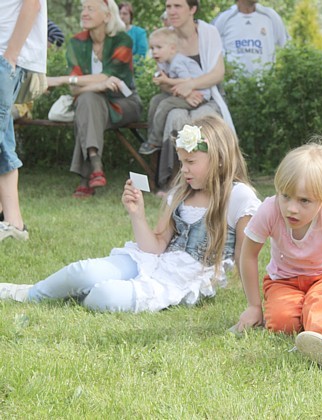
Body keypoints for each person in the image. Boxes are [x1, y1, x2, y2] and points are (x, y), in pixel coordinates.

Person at [0, 116, 261, 312]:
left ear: (220, 159)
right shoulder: (181, 193)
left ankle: (75, 294)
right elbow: (156, 246)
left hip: (185, 278)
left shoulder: (238, 197)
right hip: (155, 261)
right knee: (83, 272)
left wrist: (252, 302)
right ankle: (31, 293)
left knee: (105, 295)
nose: (185, 170)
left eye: (191, 163)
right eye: (182, 162)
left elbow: (245, 255)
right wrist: (137, 214)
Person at [236, 140, 322, 367]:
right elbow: (248, 254)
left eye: (304, 201)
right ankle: (319, 314)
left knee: (320, 307)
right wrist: (254, 306)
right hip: (284, 281)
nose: (291, 208)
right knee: (283, 323)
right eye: (285, 196)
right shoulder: (270, 210)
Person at [46, 0, 143, 198]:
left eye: (90, 9)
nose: (84, 13)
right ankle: (95, 164)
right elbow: (76, 89)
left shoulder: (122, 40)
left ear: (107, 16)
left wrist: (62, 80)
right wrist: (97, 85)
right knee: (88, 100)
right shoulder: (76, 42)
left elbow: (108, 76)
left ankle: (86, 178)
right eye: (83, 8)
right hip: (91, 103)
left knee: (87, 106)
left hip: (124, 102)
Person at [154, 0, 234, 192]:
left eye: (178, 6)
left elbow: (217, 74)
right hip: (181, 98)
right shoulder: (166, 35)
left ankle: (208, 179)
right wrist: (186, 94)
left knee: (201, 120)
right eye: (168, 6)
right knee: (176, 117)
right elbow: (162, 79)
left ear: (192, 9)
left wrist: (191, 85)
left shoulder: (208, 33)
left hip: (209, 96)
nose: (172, 11)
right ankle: (173, 180)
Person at [0, 0, 47, 242]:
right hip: (6, 57)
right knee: (3, 141)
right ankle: (13, 223)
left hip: (5, 57)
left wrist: (10, 55)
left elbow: (32, 4)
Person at [138, 27, 210, 155]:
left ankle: (156, 141)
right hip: (184, 93)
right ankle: (151, 137)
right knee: (156, 100)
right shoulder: (165, 62)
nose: (154, 52)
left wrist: (166, 80)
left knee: (165, 104)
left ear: (172, 48)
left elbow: (187, 80)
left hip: (199, 95)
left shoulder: (177, 62)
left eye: (159, 48)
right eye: (152, 48)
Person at [212, 0, 289, 76]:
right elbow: (209, 53)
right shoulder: (223, 19)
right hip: (233, 87)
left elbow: (288, 49)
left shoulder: (271, 16)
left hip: (266, 86)